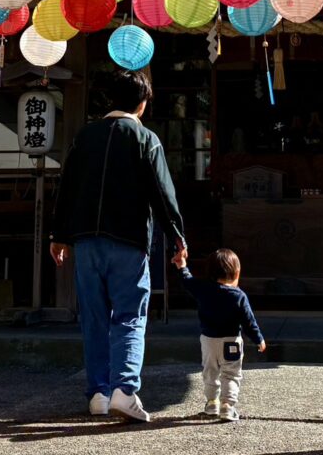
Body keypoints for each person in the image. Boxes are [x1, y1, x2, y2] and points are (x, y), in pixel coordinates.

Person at [49, 70, 187, 423]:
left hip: (85, 243)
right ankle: (125, 390)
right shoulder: (145, 139)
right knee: (129, 315)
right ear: (142, 104)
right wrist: (177, 237)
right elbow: (162, 192)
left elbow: (66, 189)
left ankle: (98, 392)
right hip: (127, 240)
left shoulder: (84, 137)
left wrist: (59, 235)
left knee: (93, 317)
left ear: (111, 100)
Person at [174, 248, 265, 422]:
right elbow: (249, 322)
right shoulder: (239, 296)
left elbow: (187, 281)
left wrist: (182, 266)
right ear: (237, 273)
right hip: (231, 341)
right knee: (230, 374)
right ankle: (228, 406)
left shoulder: (203, 289)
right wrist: (258, 339)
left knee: (210, 372)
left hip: (208, 340)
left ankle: (212, 402)